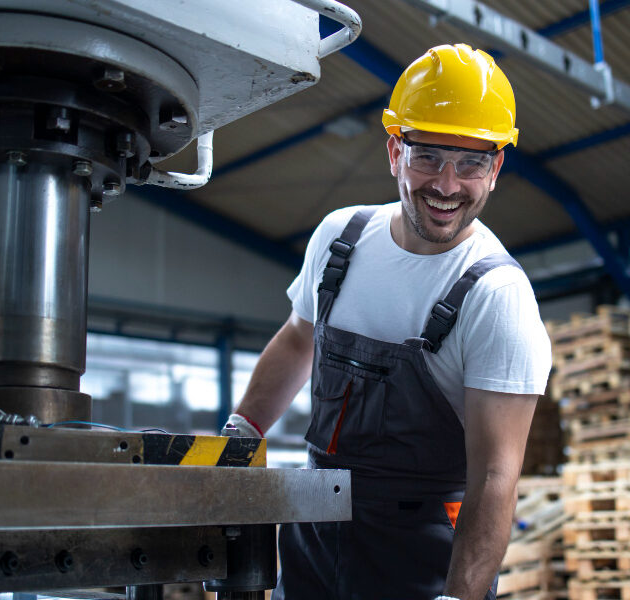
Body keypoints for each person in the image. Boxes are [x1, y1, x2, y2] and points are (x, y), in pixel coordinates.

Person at [223, 44, 552, 600]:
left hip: (419, 558)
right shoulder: (339, 238)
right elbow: (300, 339)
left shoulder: (496, 296)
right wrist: (240, 434)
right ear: (395, 152)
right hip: (313, 533)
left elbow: (495, 478)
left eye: (470, 162)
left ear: (495, 169)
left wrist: (459, 597)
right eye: (428, 157)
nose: (447, 185)